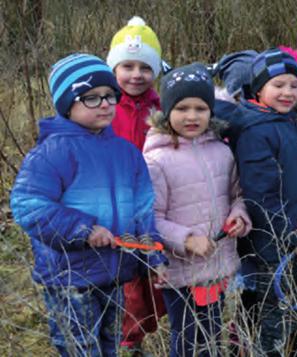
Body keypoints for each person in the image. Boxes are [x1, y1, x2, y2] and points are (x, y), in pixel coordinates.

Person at [10, 53, 168, 356]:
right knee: (80, 347)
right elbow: (28, 204)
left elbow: (142, 209)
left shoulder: (126, 152)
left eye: (110, 95)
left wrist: (153, 256)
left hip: (115, 271)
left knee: (109, 343)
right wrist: (82, 228)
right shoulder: (51, 152)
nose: (106, 104)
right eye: (91, 98)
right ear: (67, 104)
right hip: (71, 276)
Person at [215, 48, 297, 357]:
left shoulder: (291, 124)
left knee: (283, 315)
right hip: (273, 247)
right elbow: (262, 196)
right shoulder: (256, 130)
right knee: (269, 322)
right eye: (278, 85)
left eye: (293, 85)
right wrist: (293, 238)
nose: (288, 92)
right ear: (259, 89)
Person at [143, 64, 252, 357]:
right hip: (179, 271)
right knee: (188, 339)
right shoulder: (156, 160)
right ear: (167, 111)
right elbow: (151, 219)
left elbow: (237, 195)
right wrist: (187, 239)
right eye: (182, 108)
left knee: (212, 333)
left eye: (201, 108)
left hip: (217, 264)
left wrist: (238, 216)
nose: (192, 116)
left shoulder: (222, 151)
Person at [106, 17, 168, 354]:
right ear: (114, 68)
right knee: (127, 279)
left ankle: (151, 325)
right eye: (127, 66)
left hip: (154, 203)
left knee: (152, 274)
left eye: (145, 67)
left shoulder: (162, 107)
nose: (136, 74)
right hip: (115, 205)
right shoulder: (105, 106)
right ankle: (129, 339)